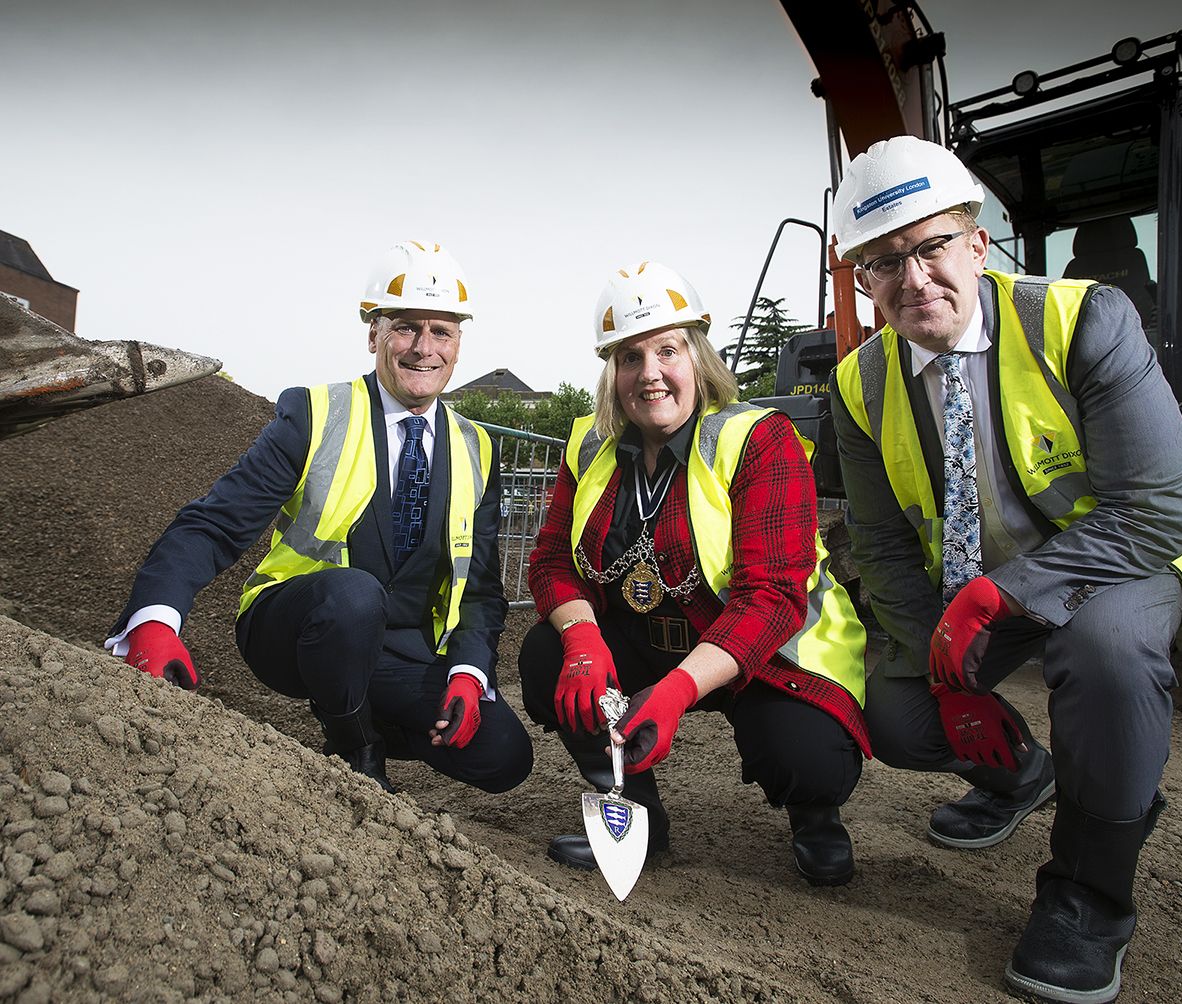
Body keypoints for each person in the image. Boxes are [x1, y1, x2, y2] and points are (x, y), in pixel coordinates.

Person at [827, 138, 1182, 1003]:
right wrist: (950, 683)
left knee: (1108, 649)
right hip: (982, 588)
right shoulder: (860, 383)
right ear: (864, 280)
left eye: (931, 245)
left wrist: (1001, 593)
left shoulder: (1084, 320)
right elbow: (887, 549)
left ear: (978, 243)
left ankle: (1089, 897)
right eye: (883, 262)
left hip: (1123, 561)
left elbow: (1154, 510)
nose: (913, 278)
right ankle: (1024, 778)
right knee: (898, 715)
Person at [107, 240, 533, 796]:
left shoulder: (475, 447)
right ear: (373, 333)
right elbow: (215, 524)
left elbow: (479, 589)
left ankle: (367, 713)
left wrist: (470, 672)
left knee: (504, 756)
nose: (424, 348)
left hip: (397, 646)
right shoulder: (315, 414)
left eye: (442, 332)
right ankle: (356, 747)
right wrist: (155, 619)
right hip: (301, 625)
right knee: (354, 597)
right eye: (405, 327)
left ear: (459, 344)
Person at [519, 261, 869, 886]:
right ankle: (636, 818)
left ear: (698, 357)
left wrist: (680, 691)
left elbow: (772, 597)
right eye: (629, 357)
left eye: (667, 350)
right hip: (643, 638)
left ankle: (815, 815)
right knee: (547, 656)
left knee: (805, 753)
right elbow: (549, 562)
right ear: (613, 372)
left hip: (759, 653)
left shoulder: (761, 439)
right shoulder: (589, 445)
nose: (649, 373)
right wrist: (581, 638)